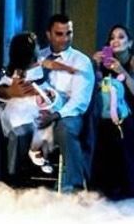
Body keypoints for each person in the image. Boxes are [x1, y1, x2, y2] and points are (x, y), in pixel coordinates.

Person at [91, 24, 134, 200]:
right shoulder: (103, 64)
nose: (115, 41)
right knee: (102, 128)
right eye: (112, 37)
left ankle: (126, 186)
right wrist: (94, 67)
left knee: (125, 129)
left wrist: (122, 71)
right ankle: (102, 186)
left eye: (121, 37)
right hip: (108, 116)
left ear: (130, 42)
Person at [34, 14, 94, 191]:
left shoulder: (81, 61)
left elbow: (79, 101)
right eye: (59, 34)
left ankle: (74, 185)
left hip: (68, 112)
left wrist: (55, 115)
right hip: (39, 109)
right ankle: (16, 180)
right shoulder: (38, 58)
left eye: (69, 33)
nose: (65, 38)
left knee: (65, 129)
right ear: (49, 34)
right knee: (15, 124)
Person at [0, 30, 51, 182]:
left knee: (23, 130)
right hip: (16, 119)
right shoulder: (14, 74)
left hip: (30, 120)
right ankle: (13, 175)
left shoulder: (41, 73)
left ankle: (16, 174)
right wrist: (10, 92)